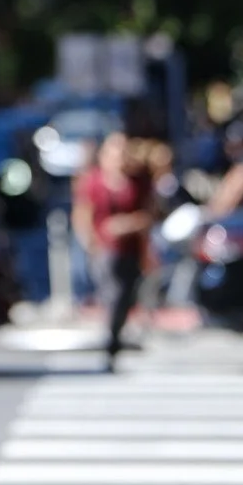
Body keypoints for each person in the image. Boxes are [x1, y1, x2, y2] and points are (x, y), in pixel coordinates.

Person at [74, 132, 156, 363]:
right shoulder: (93, 181)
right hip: (104, 248)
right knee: (113, 291)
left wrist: (129, 225)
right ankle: (111, 338)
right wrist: (89, 240)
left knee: (127, 294)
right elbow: (83, 213)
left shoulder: (139, 182)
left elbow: (150, 215)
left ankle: (115, 334)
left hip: (131, 248)